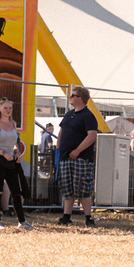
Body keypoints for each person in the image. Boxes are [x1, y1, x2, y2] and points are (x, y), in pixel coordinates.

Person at [0, 98, 34, 231]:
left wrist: (16, 152)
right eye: (5, 108)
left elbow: (14, 142)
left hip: (11, 160)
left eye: (10, 108)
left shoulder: (13, 123)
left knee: (16, 191)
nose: (8, 110)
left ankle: (22, 221)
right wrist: (3, 153)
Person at [56, 86, 99, 227]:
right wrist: (58, 147)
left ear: (80, 98)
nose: (70, 98)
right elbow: (62, 131)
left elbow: (92, 135)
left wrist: (78, 150)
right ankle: (66, 217)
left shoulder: (88, 115)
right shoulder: (69, 114)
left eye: (72, 96)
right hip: (65, 157)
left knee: (83, 188)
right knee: (67, 188)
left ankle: (88, 218)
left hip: (81, 158)